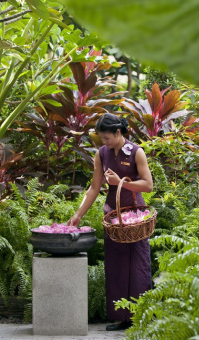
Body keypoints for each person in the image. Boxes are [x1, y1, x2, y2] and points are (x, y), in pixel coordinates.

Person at [67, 113, 153, 331]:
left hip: (135, 217)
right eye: (101, 138)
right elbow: (94, 188)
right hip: (112, 218)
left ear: (118, 132)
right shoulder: (102, 154)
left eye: (106, 138)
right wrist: (78, 215)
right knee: (116, 266)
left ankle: (139, 316)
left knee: (138, 265)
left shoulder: (136, 152)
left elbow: (148, 185)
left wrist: (121, 183)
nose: (103, 142)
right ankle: (119, 317)